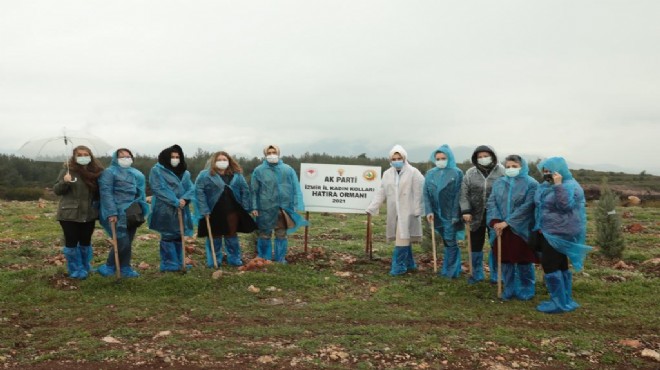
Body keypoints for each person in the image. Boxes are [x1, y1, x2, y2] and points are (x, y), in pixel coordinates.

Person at [533, 157, 592, 313]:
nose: (547, 173)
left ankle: (558, 303)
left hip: (559, 232)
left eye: (550, 170)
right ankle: (565, 299)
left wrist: (558, 185)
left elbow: (565, 206)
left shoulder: (570, 186)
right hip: (548, 230)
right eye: (544, 171)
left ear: (560, 170)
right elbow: (539, 204)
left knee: (550, 265)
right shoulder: (549, 185)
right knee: (560, 264)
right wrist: (547, 185)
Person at [486, 155, 539, 300]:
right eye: (508, 166)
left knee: (523, 259)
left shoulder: (531, 183)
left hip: (522, 229)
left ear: (522, 167)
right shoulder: (499, 183)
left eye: (514, 166)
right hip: (500, 228)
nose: (510, 169)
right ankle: (509, 288)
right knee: (505, 259)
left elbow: (527, 206)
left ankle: (526, 288)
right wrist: (496, 221)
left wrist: (508, 222)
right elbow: (492, 202)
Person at [366, 145, 424, 276]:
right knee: (404, 237)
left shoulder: (414, 172)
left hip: (408, 211)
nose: (396, 160)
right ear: (390, 159)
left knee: (402, 238)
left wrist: (417, 210)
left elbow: (419, 192)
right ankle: (410, 264)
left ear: (404, 158)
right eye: (394, 158)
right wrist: (372, 207)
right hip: (394, 211)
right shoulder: (387, 174)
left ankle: (398, 267)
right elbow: (381, 192)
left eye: (399, 158)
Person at [195, 151, 256, 267]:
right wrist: (204, 209)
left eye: (224, 159)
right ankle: (214, 261)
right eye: (219, 160)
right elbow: (199, 191)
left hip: (231, 210)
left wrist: (244, 207)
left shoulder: (237, 175)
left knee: (231, 235)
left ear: (229, 161)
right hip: (213, 211)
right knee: (215, 237)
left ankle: (234, 260)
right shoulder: (205, 175)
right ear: (214, 161)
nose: (222, 162)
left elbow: (245, 190)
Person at [53, 145, 104, 279]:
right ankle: (75, 269)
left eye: (85, 154)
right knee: (71, 241)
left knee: (85, 240)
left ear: (90, 156)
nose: (83, 157)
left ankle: (85, 266)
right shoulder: (68, 170)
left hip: (89, 213)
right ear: (74, 157)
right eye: (79, 155)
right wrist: (65, 182)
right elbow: (57, 190)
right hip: (69, 214)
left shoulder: (96, 172)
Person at [250, 145, 307, 263]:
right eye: (269, 153)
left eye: (274, 152)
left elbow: (296, 188)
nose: (272, 155)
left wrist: (296, 204)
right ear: (265, 155)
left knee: (281, 233)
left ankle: (280, 259)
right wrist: (254, 207)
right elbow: (254, 191)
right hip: (265, 207)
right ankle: (264, 258)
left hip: (283, 207)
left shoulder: (288, 169)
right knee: (264, 233)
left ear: (278, 153)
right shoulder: (259, 170)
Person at [97, 148, 149, 278]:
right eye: (122, 157)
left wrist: (141, 207)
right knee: (122, 241)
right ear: (115, 158)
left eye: (128, 156)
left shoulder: (135, 173)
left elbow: (139, 192)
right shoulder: (109, 173)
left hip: (132, 211)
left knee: (128, 240)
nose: (126, 159)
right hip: (116, 211)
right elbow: (106, 193)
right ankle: (109, 266)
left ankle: (125, 267)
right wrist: (111, 212)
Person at [460, 145, 505, 284]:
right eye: (479, 156)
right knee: (475, 244)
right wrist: (466, 210)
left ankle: (497, 275)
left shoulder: (502, 171)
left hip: (496, 214)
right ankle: (476, 273)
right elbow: (464, 193)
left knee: (496, 243)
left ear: (492, 156)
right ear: (475, 158)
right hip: (475, 214)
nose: (483, 159)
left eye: (485, 156)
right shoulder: (470, 173)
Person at [148, 144, 195, 272]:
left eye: (177, 156)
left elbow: (191, 188)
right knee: (168, 236)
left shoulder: (185, 172)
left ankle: (179, 262)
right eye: (172, 157)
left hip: (182, 207)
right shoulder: (157, 170)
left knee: (179, 234)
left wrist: (184, 199)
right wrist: (175, 201)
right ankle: (169, 264)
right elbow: (158, 188)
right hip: (165, 208)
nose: (175, 159)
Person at [423, 144, 465, 278]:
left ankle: (452, 270)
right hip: (436, 213)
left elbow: (459, 195)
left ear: (449, 158)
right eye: (438, 158)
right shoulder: (430, 174)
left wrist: (455, 215)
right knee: (445, 239)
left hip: (450, 213)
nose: (440, 160)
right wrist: (429, 211)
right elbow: (426, 194)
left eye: (443, 158)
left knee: (450, 240)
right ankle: (449, 267)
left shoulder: (457, 173)